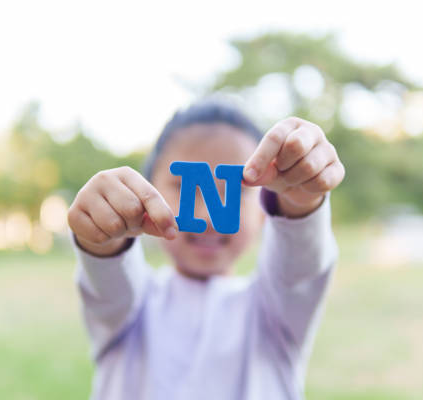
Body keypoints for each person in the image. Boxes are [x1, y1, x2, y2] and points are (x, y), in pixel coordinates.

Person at [67, 100, 345, 400]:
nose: (207, 217)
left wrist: (300, 200)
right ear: (146, 190)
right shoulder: (128, 309)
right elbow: (108, 281)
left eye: (237, 190)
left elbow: (300, 268)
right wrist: (104, 237)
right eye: (183, 187)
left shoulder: (276, 312)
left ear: (264, 208)